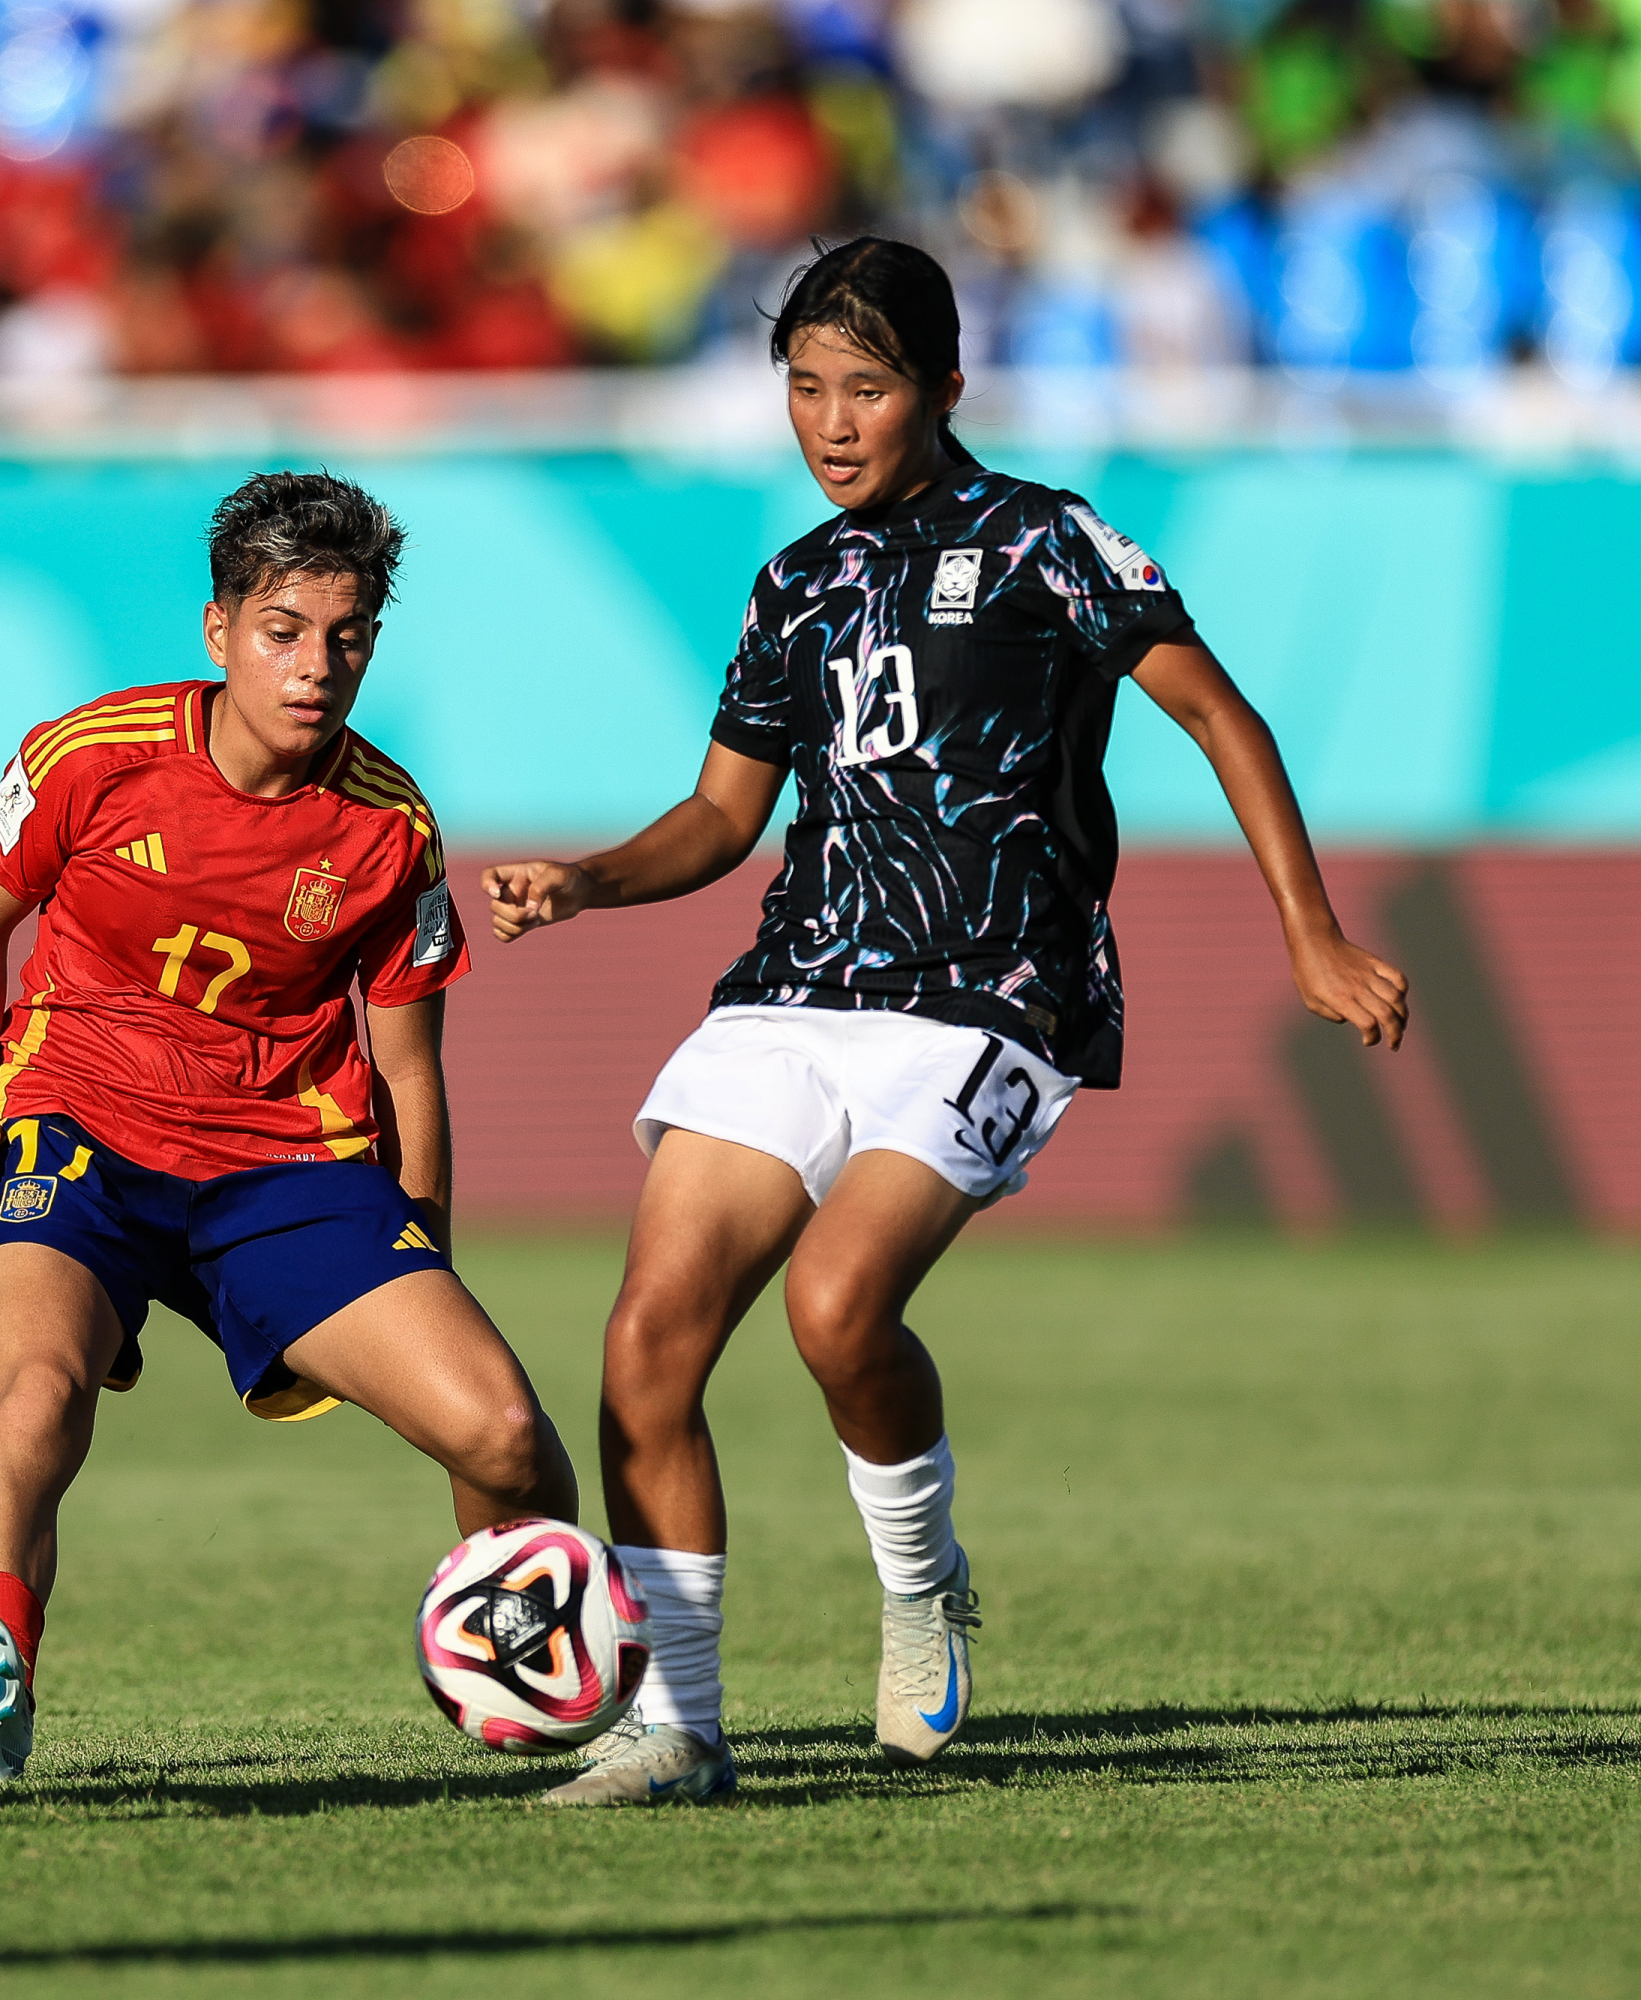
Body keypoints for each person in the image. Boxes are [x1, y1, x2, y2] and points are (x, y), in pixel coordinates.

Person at [485, 238, 1410, 1807]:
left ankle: (920, 1586)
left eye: (868, 386)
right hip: (798, 988)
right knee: (648, 1338)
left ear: (946, 386)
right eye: (803, 388)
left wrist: (1310, 933)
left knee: (838, 1310)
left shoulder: (1048, 541)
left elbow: (1217, 713)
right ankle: (679, 1730)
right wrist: (587, 880)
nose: (832, 422)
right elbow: (721, 820)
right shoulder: (797, 581)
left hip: (992, 995)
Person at [0, 471, 578, 1782]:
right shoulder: (87, 756)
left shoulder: (393, 826)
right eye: (284, 632)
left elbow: (411, 1072)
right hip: (71, 1137)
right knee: (37, 1392)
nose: (317, 667)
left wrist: (422, 1245)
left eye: (348, 636)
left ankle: (496, 1661)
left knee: (501, 1434)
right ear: (219, 632)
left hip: (286, 1169)